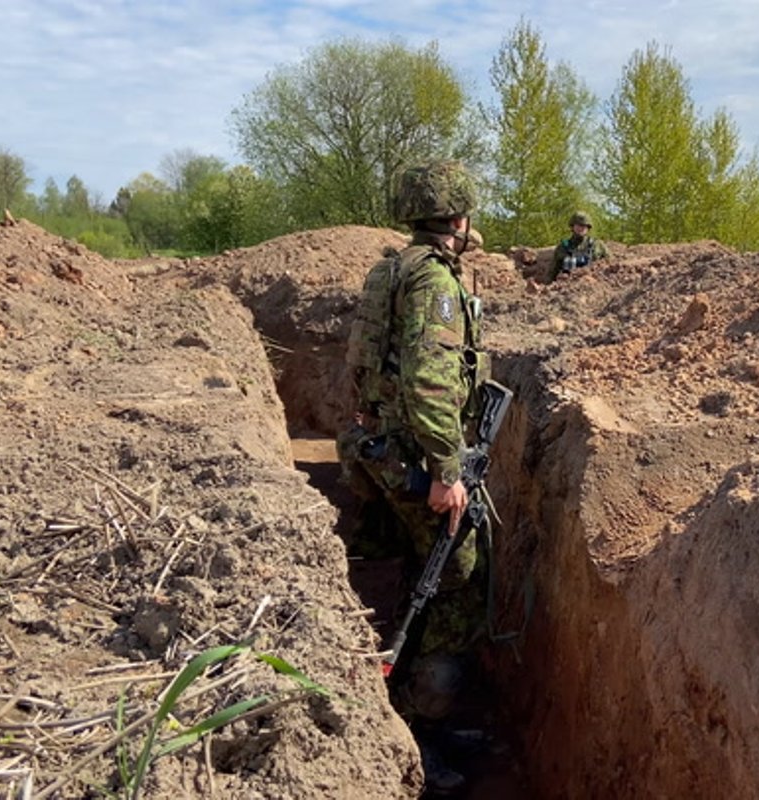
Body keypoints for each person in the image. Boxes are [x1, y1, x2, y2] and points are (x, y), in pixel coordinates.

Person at [338, 159, 490, 794]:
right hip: (416, 459)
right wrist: (446, 472)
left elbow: (364, 362)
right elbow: (430, 381)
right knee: (454, 582)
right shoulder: (433, 283)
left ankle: (417, 721)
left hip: (384, 451)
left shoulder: (389, 269)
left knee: (416, 578)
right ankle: (418, 733)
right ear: (456, 216)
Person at [546, 211, 608, 283]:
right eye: (578, 225)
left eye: (584, 226)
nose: (581, 228)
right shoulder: (563, 246)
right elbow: (553, 271)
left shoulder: (597, 245)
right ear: (572, 226)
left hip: (592, 285)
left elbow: (610, 266)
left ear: (588, 228)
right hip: (567, 286)